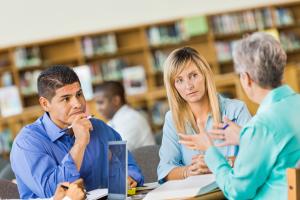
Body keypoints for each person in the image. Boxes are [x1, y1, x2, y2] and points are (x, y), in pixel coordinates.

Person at [179, 32, 300, 199]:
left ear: (246, 78)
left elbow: (236, 191)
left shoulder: (261, 127)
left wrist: (209, 150)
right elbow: (280, 145)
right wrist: (245, 136)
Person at [10, 65, 144, 199]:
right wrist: (80, 143)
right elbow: (52, 192)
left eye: (79, 94)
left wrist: (130, 179)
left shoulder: (101, 128)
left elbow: (130, 167)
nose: (78, 104)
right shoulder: (27, 143)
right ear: (45, 104)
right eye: (66, 99)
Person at [157, 47, 251, 183]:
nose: (188, 86)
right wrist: (189, 171)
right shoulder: (172, 119)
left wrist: (219, 162)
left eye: (193, 76)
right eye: (179, 80)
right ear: (174, 87)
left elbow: (257, 156)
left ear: (205, 75)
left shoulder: (236, 110)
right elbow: (165, 170)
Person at [94, 81, 155, 151]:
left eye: (100, 102)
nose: (97, 108)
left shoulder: (131, 120)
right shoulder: (113, 121)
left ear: (116, 100)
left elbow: (117, 155)